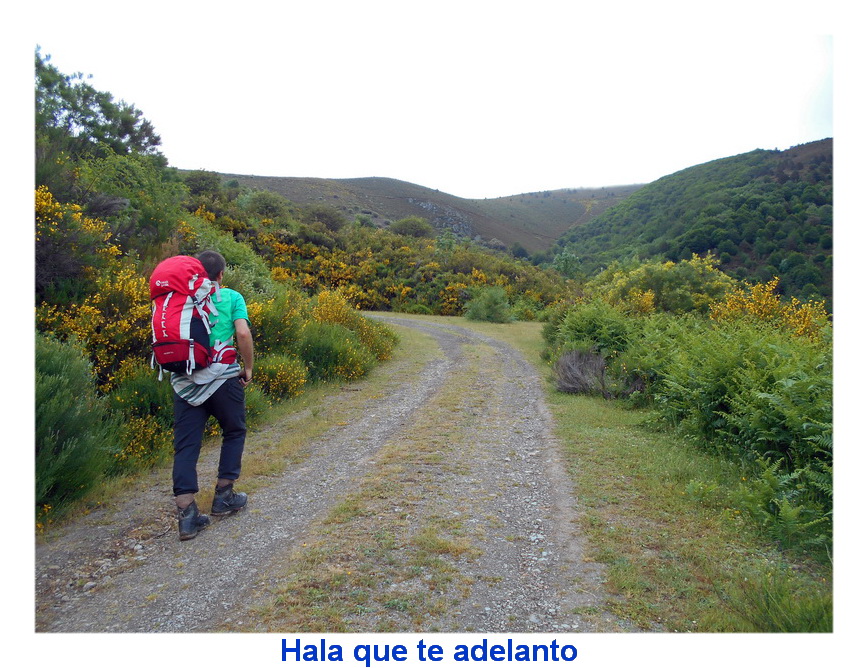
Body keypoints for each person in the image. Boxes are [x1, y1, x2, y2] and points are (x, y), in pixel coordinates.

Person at [170, 250, 254, 540]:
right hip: (223, 379)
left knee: (186, 446)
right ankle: (224, 496)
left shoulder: (179, 298)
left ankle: (187, 516)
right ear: (220, 275)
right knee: (234, 431)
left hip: (185, 383)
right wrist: (248, 368)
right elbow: (242, 334)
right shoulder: (231, 296)